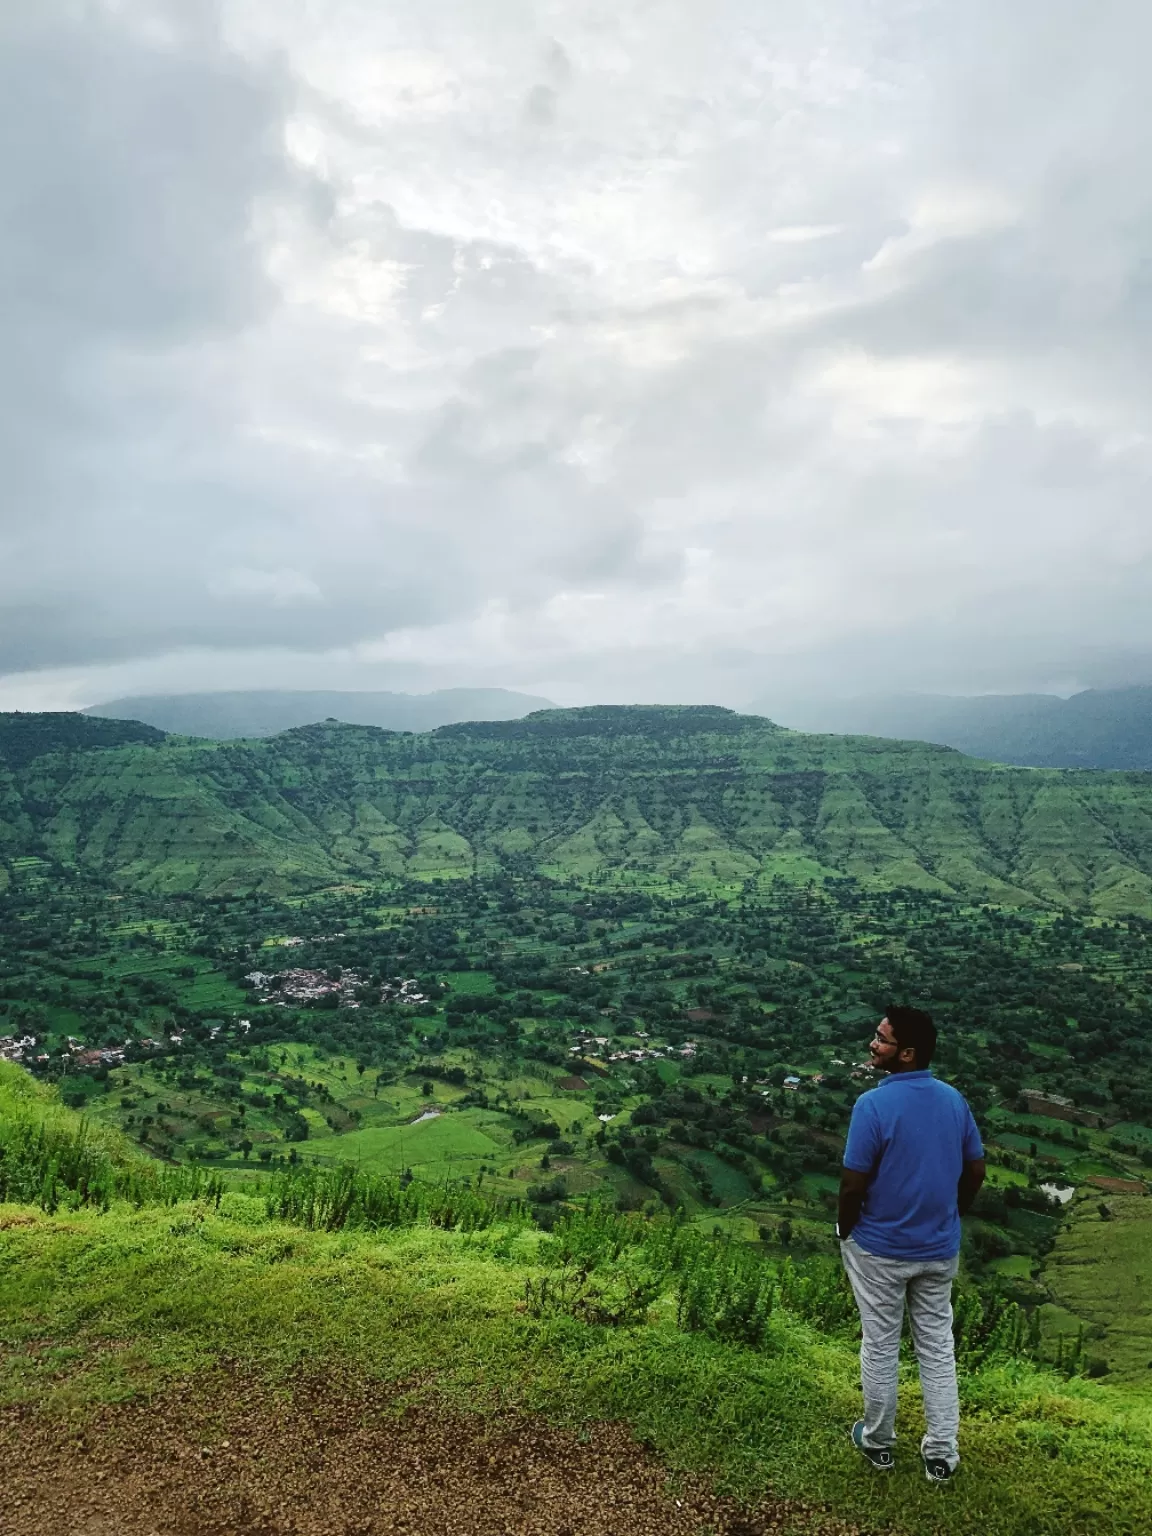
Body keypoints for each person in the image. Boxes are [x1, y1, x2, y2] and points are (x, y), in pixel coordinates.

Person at [837, 1006, 985, 1484]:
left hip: (880, 1248)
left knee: (880, 1345)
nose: (871, 1044)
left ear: (906, 1053)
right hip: (938, 1248)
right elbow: (976, 1171)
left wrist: (845, 1230)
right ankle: (941, 1453)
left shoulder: (872, 1106)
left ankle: (878, 1442)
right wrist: (951, 1215)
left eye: (880, 1039)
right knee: (937, 1348)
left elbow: (852, 1185)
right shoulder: (952, 1100)